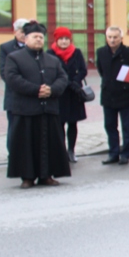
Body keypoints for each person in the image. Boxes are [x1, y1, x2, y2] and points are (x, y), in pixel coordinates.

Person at [4, 21, 71, 188]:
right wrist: (36, 90)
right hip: (26, 109)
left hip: (48, 109)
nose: (39, 40)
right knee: (26, 145)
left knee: (49, 144)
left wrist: (52, 90)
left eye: (41, 37)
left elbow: (63, 78)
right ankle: (27, 177)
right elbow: (13, 79)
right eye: (35, 37)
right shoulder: (14, 58)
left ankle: (46, 175)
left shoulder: (52, 59)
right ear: (26, 39)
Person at [95, 26, 129, 165]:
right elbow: (101, 71)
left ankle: (126, 154)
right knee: (110, 125)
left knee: (126, 126)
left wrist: (128, 84)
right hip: (108, 95)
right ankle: (113, 153)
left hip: (125, 94)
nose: (112, 40)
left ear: (121, 38)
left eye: (115, 37)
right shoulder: (101, 52)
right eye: (110, 37)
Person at [48, 27, 87, 163]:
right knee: (59, 124)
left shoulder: (76, 52)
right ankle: (61, 151)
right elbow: (49, 72)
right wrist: (62, 82)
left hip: (74, 93)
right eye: (61, 39)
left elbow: (83, 70)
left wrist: (75, 81)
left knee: (73, 123)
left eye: (66, 39)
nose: (64, 42)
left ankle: (71, 150)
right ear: (56, 40)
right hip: (59, 94)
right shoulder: (50, 53)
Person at [0, 18, 31, 151]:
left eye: (27, 32)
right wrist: (22, 86)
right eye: (22, 31)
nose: (24, 35)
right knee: (14, 126)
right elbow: (4, 72)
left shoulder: (34, 46)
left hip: (31, 95)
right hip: (14, 95)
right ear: (15, 31)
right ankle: (12, 154)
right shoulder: (6, 48)